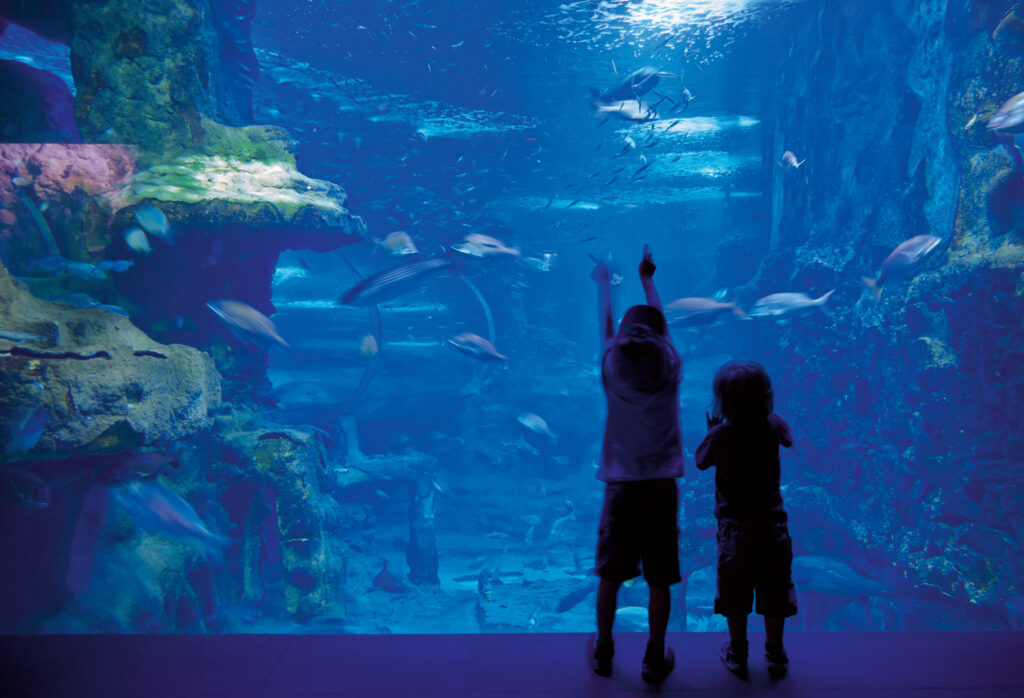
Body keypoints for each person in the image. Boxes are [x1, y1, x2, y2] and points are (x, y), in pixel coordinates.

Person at [589, 245, 683, 685]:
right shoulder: (670, 367)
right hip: (660, 485)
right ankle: (653, 653)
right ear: (662, 342)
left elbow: (607, 328)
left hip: (620, 486)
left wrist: (605, 283)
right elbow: (659, 331)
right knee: (660, 579)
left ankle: (604, 647)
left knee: (611, 574)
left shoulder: (611, 367)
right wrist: (648, 280)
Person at [695, 360, 798, 679]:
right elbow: (789, 439)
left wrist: (713, 430)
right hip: (772, 526)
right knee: (774, 592)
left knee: (735, 594)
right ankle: (776, 654)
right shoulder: (773, 424)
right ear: (766, 396)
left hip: (734, 530)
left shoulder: (721, 436)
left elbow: (700, 462)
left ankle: (738, 653)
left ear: (721, 402)